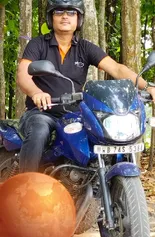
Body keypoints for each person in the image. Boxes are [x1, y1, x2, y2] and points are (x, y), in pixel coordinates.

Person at [17, 0, 155, 173]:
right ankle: (26, 185)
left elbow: (117, 69)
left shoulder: (84, 47)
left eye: (71, 12)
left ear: (79, 18)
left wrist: (147, 87)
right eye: (59, 12)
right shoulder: (37, 44)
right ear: (51, 18)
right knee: (39, 130)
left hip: (75, 114)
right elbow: (23, 75)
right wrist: (36, 92)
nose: (65, 16)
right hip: (43, 112)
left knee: (102, 133)